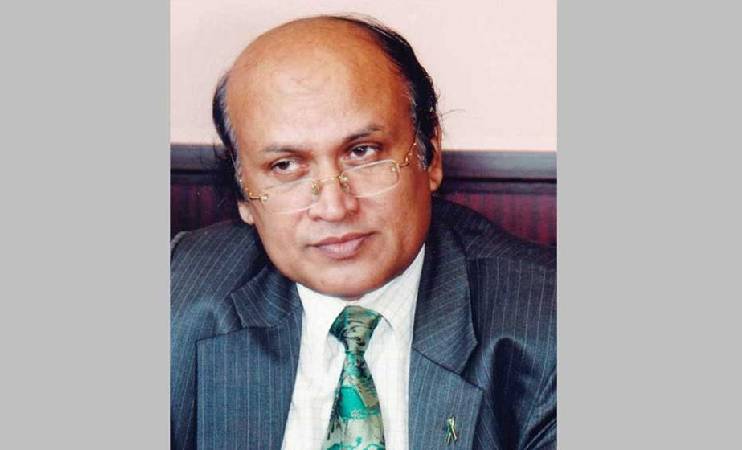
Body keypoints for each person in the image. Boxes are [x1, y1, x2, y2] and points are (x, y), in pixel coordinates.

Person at [171, 15, 556, 450]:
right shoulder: (178, 294)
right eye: (285, 166)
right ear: (244, 194)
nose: (334, 208)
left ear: (430, 154)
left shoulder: (549, 325)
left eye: (362, 152)